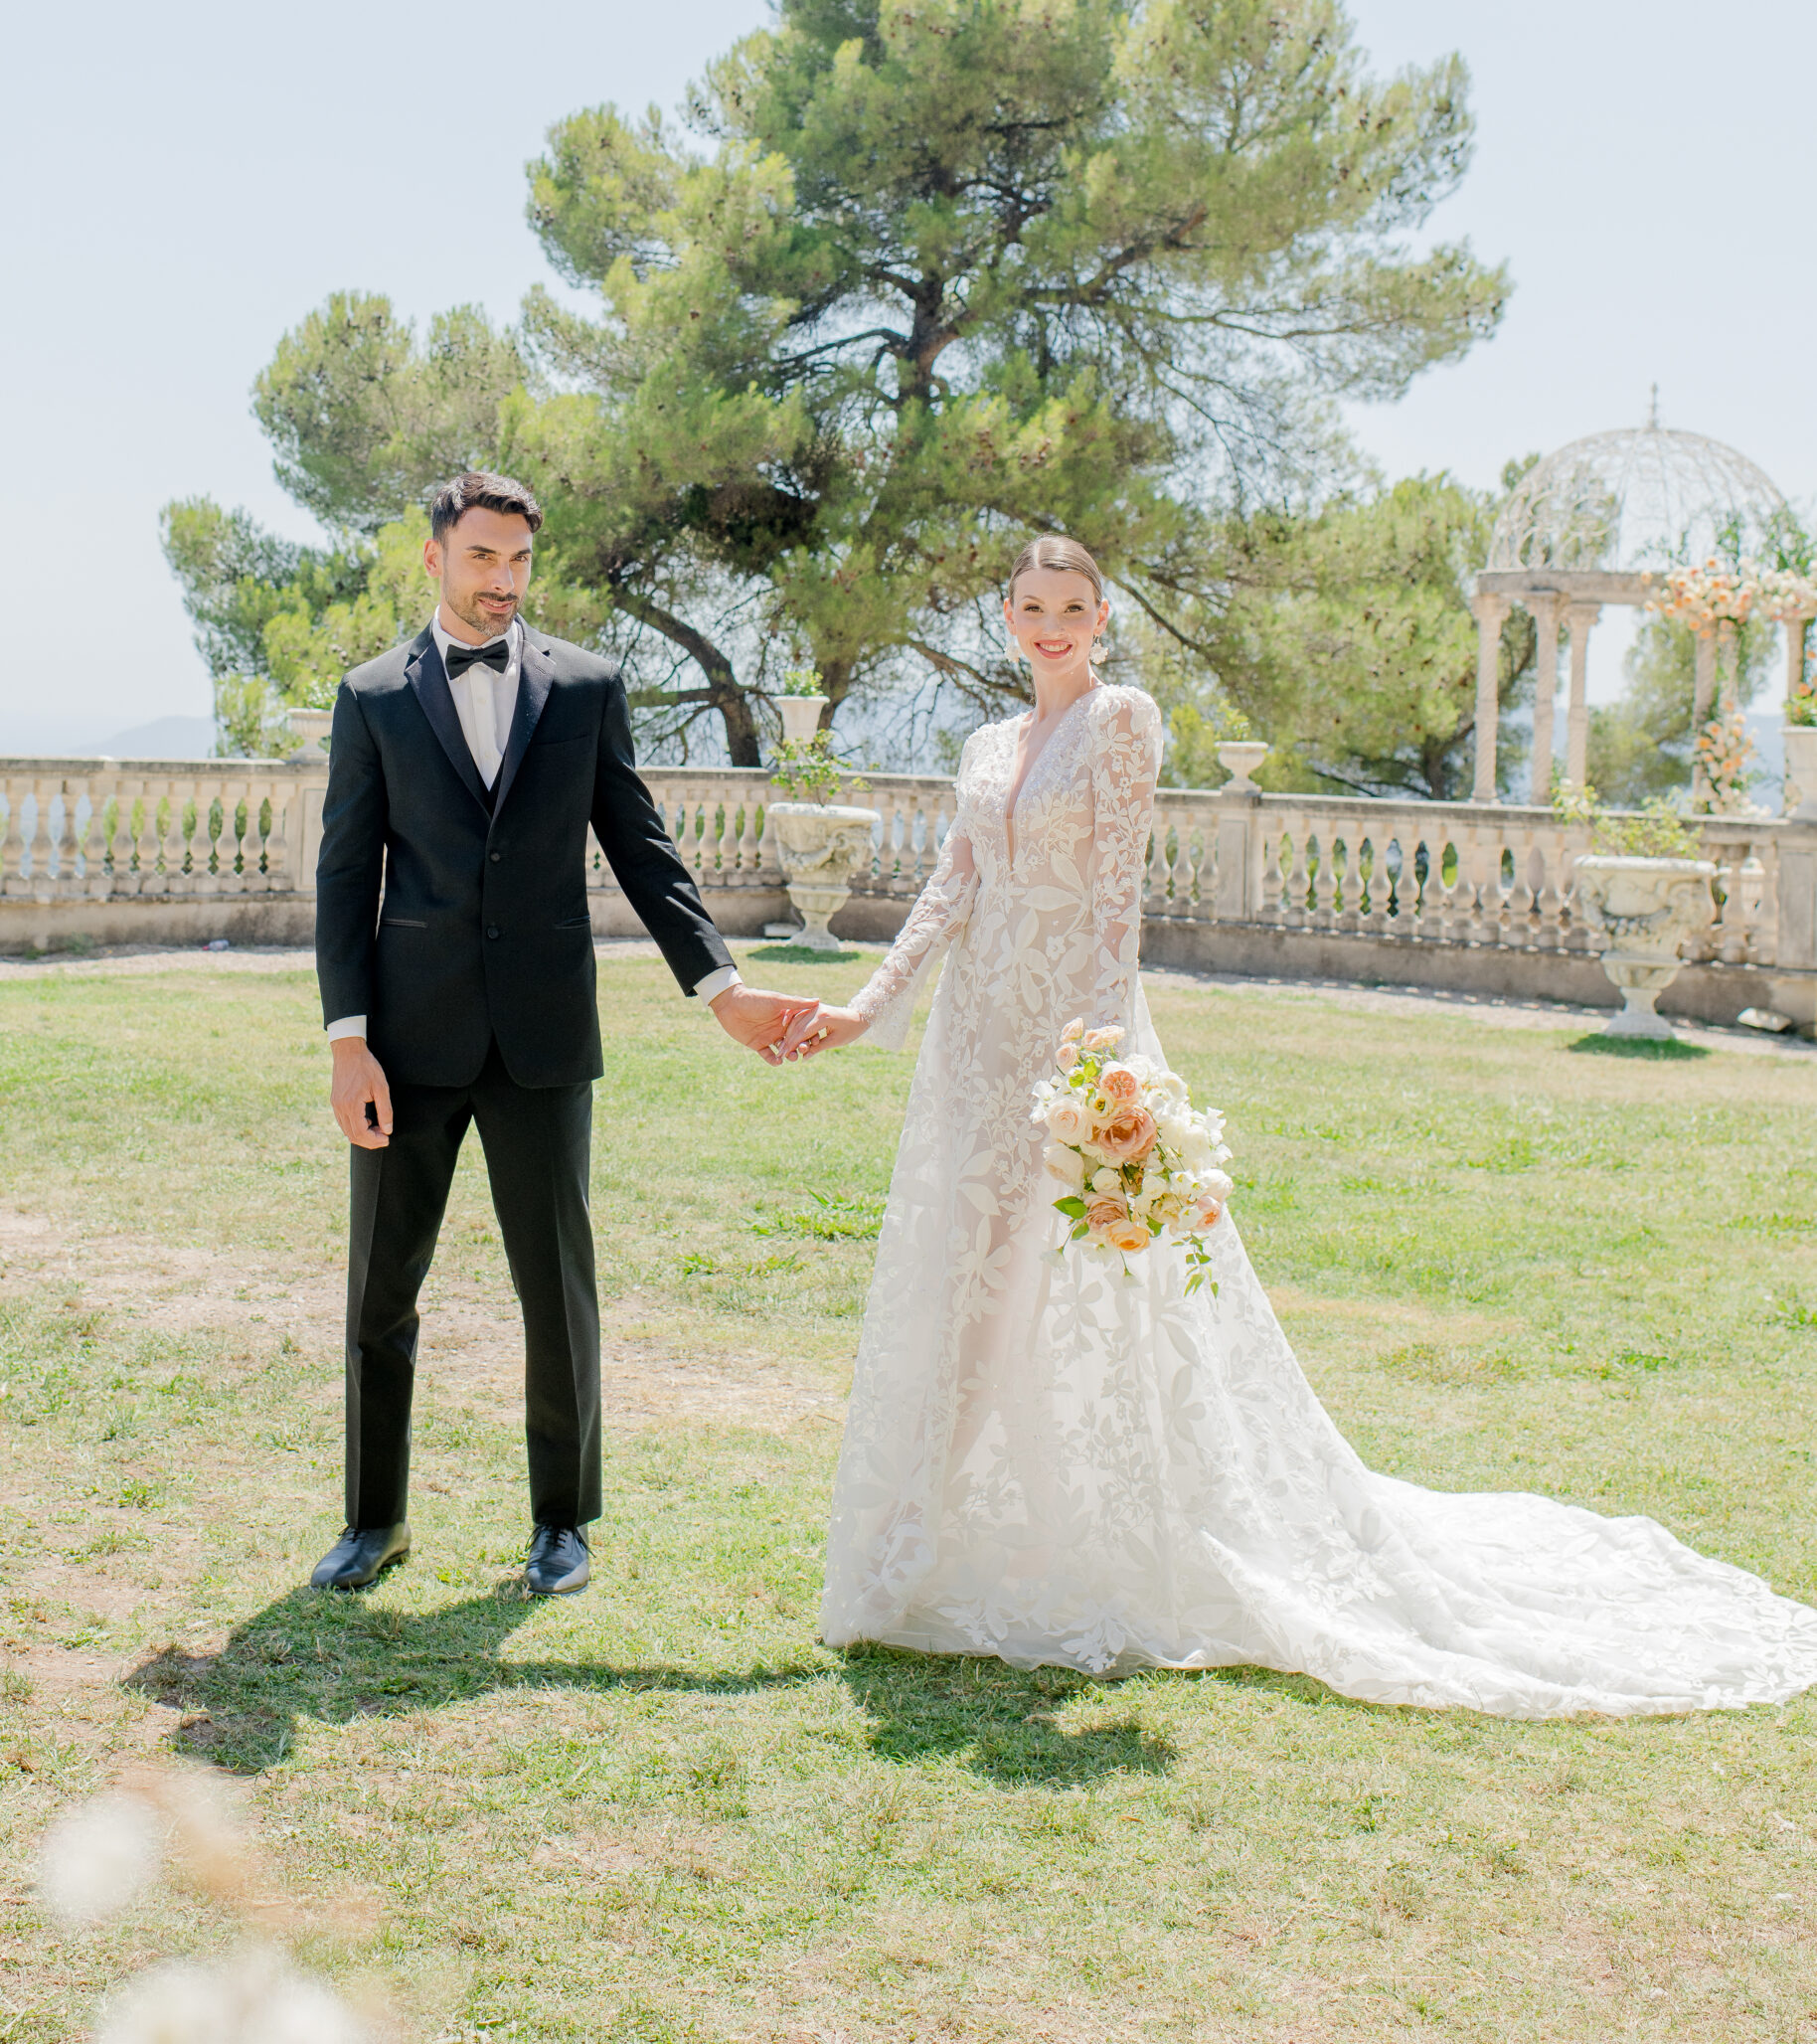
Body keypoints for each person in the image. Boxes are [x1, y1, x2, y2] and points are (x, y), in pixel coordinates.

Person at [778, 535, 1817, 1714]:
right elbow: (951, 886)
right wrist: (866, 1009)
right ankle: (917, 1530)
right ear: (1005, 617)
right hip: (972, 1044)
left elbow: (1119, 895)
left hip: (1075, 1048)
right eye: (1031, 605)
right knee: (966, 1277)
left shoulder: (1121, 719)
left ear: (1102, 617)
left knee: (1077, 1280)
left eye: (1072, 605)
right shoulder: (982, 744)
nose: (1051, 623)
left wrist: (1100, 1070)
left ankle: (1114, 1532)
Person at [310, 471, 821, 1598]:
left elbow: (643, 848)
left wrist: (719, 986)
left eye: (519, 562)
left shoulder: (586, 687)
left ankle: (560, 1523)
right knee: (380, 1290)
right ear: (434, 554)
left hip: (544, 1039)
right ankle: (373, 1518)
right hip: (406, 1044)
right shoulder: (372, 698)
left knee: (559, 1288)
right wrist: (347, 1039)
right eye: (482, 557)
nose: (502, 581)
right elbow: (346, 876)